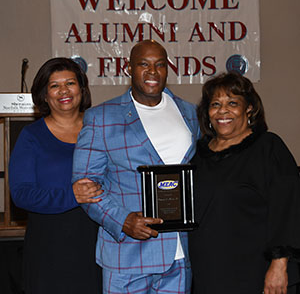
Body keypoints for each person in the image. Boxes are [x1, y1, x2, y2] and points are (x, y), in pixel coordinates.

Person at [72, 40, 201, 293]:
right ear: (128, 68)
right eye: (144, 64)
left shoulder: (190, 113)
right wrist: (122, 221)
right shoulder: (101, 117)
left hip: (180, 256)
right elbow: (86, 187)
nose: (152, 72)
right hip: (126, 256)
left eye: (160, 65)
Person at [189, 71, 300, 294]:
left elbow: (288, 209)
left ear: (249, 108)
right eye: (215, 104)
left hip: (256, 273)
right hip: (207, 273)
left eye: (232, 103)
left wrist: (279, 265)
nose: (222, 111)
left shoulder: (268, 148)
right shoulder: (198, 156)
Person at [9, 57, 103, 294]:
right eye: (54, 85)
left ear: (82, 88)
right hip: (50, 251)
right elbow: (21, 194)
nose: (64, 90)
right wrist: (71, 195)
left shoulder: (101, 129)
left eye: (70, 83)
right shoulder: (32, 136)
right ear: (44, 94)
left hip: (99, 248)